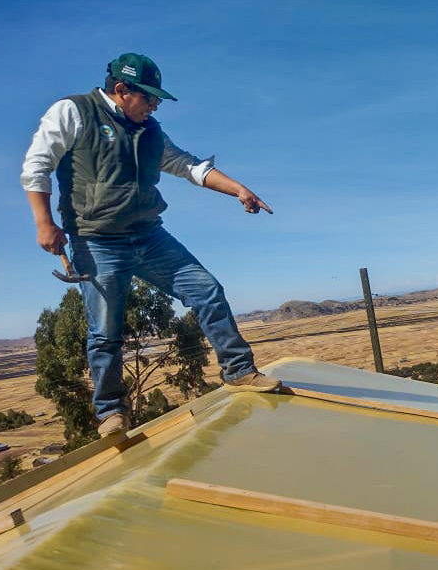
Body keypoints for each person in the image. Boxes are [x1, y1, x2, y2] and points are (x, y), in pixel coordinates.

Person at [21, 53, 281, 437]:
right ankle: (111, 412)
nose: (155, 105)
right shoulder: (74, 112)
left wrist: (238, 189)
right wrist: (44, 222)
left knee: (207, 290)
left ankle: (239, 371)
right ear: (121, 90)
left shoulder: (151, 131)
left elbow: (188, 166)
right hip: (97, 241)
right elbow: (37, 165)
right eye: (150, 97)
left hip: (150, 237)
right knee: (105, 331)